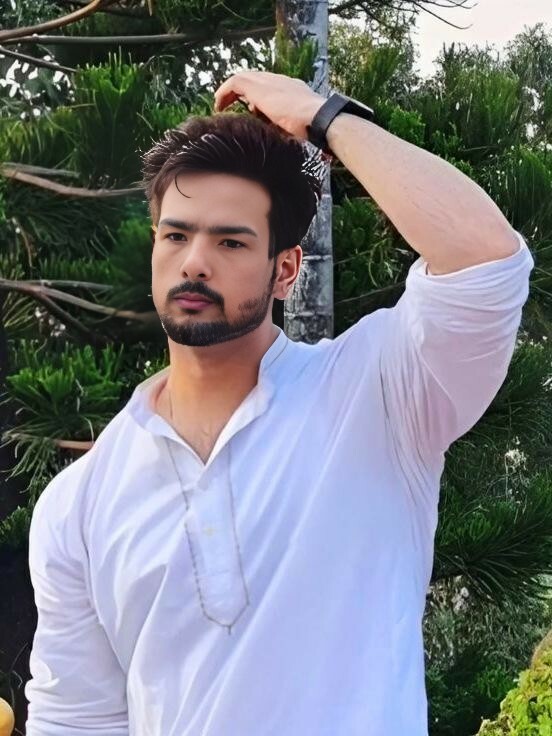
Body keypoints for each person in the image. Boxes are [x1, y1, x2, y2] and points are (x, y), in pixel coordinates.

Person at [24, 71, 533, 736]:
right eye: (175, 236)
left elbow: (486, 260)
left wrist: (325, 116)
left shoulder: (379, 395)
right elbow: (76, 719)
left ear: (285, 270)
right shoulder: (80, 501)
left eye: (230, 241)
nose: (195, 262)